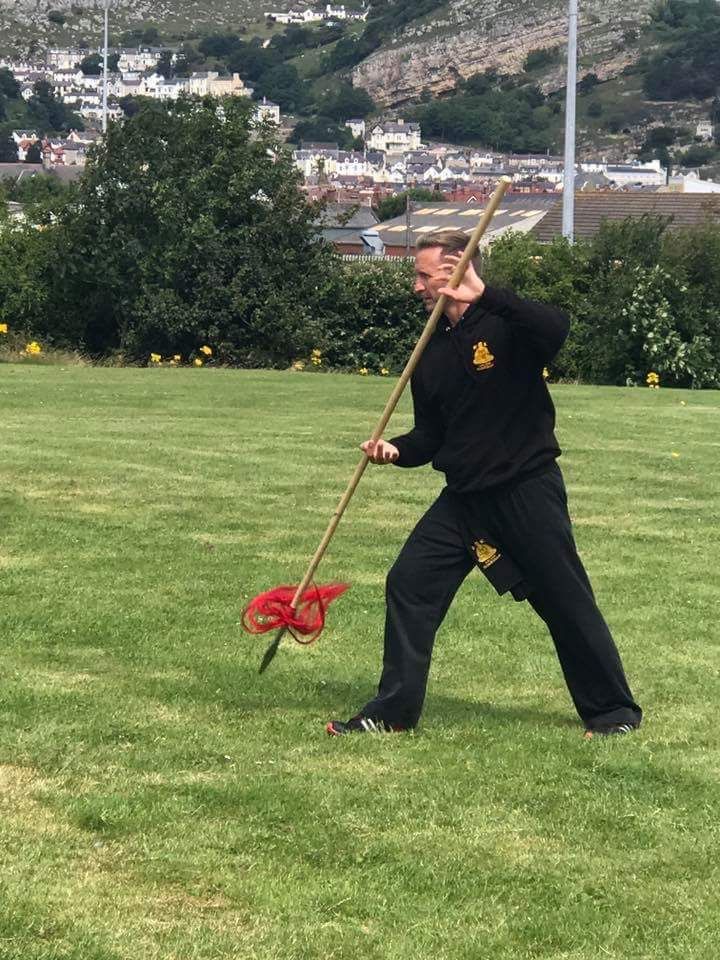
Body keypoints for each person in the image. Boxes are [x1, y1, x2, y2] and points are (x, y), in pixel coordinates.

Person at [326, 229, 642, 739]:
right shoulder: (429, 351)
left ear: (456, 270)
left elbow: (557, 328)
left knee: (563, 598)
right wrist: (396, 451)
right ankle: (392, 713)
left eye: (425, 275)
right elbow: (431, 435)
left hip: (525, 489)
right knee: (409, 583)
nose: (417, 287)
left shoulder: (507, 324)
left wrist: (487, 293)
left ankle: (613, 715)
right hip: (465, 501)